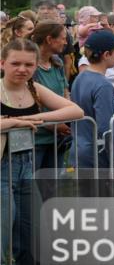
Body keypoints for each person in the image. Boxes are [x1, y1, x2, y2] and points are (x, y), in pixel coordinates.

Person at [1, 38, 83, 265]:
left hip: (27, 167)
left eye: (28, 64)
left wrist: (36, 117)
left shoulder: (35, 89)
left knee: (30, 240)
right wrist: (9, 123)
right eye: (15, 63)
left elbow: (74, 110)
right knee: (2, 245)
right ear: (2, 63)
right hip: (1, 170)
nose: (22, 69)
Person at [71, 30, 114, 171]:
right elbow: (107, 129)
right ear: (106, 55)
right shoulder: (104, 85)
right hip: (98, 158)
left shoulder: (81, 77)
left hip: (80, 152)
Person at [30, 21, 73, 170]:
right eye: (63, 38)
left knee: (52, 188)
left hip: (58, 140)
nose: (66, 42)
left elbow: (64, 93)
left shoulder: (57, 64)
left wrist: (66, 120)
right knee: (33, 189)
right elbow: (32, 105)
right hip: (36, 140)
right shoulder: (29, 67)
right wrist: (55, 125)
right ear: (49, 39)